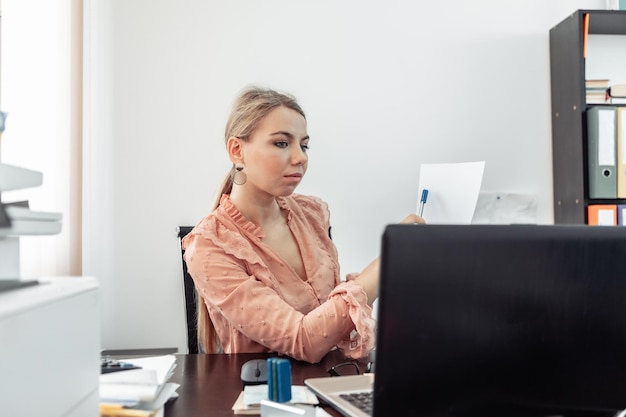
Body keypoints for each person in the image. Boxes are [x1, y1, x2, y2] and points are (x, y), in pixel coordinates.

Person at [182, 86, 424, 363]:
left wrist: (365, 287)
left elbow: (327, 314)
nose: (301, 158)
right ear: (237, 150)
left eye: (304, 145)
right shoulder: (208, 246)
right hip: (266, 397)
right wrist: (391, 259)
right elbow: (303, 340)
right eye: (282, 143)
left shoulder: (312, 213)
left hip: (334, 382)